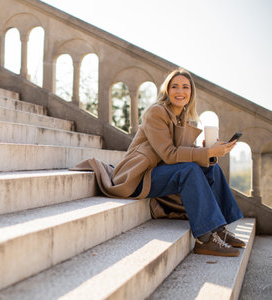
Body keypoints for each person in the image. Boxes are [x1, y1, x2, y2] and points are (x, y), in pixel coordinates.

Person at [72, 68, 245, 257]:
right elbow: (170, 155)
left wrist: (208, 151)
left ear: (191, 93)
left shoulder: (183, 119)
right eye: (175, 87)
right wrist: (205, 152)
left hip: (160, 173)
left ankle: (220, 230)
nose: (180, 91)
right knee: (189, 170)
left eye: (185, 87)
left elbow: (185, 154)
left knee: (212, 168)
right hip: (139, 177)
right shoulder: (156, 112)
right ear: (167, 90)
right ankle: (204, 239)